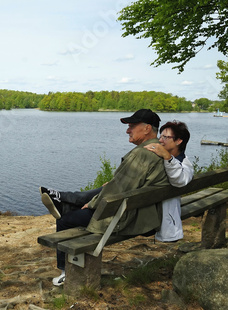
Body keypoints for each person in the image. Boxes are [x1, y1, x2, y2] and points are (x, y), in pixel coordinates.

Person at [40, 109, 170, 286]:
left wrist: (92, 204)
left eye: (131, 126)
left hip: (133, 217)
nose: (127, 130)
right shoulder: (161, 150)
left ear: (147, 129)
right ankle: (65, 202)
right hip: (146, 213)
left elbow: (117, 191)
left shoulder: (142, 154)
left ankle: (66, 272)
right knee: (99, 192)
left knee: (65, 220)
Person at [144, 121, 193, 242]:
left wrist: (168, 157)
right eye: (161, 136)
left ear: (178, 141)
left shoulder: (185, 165)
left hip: (154, 219)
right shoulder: (156, 159)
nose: (161, 140)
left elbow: (180, 181)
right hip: (148, 213)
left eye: (166, 137)